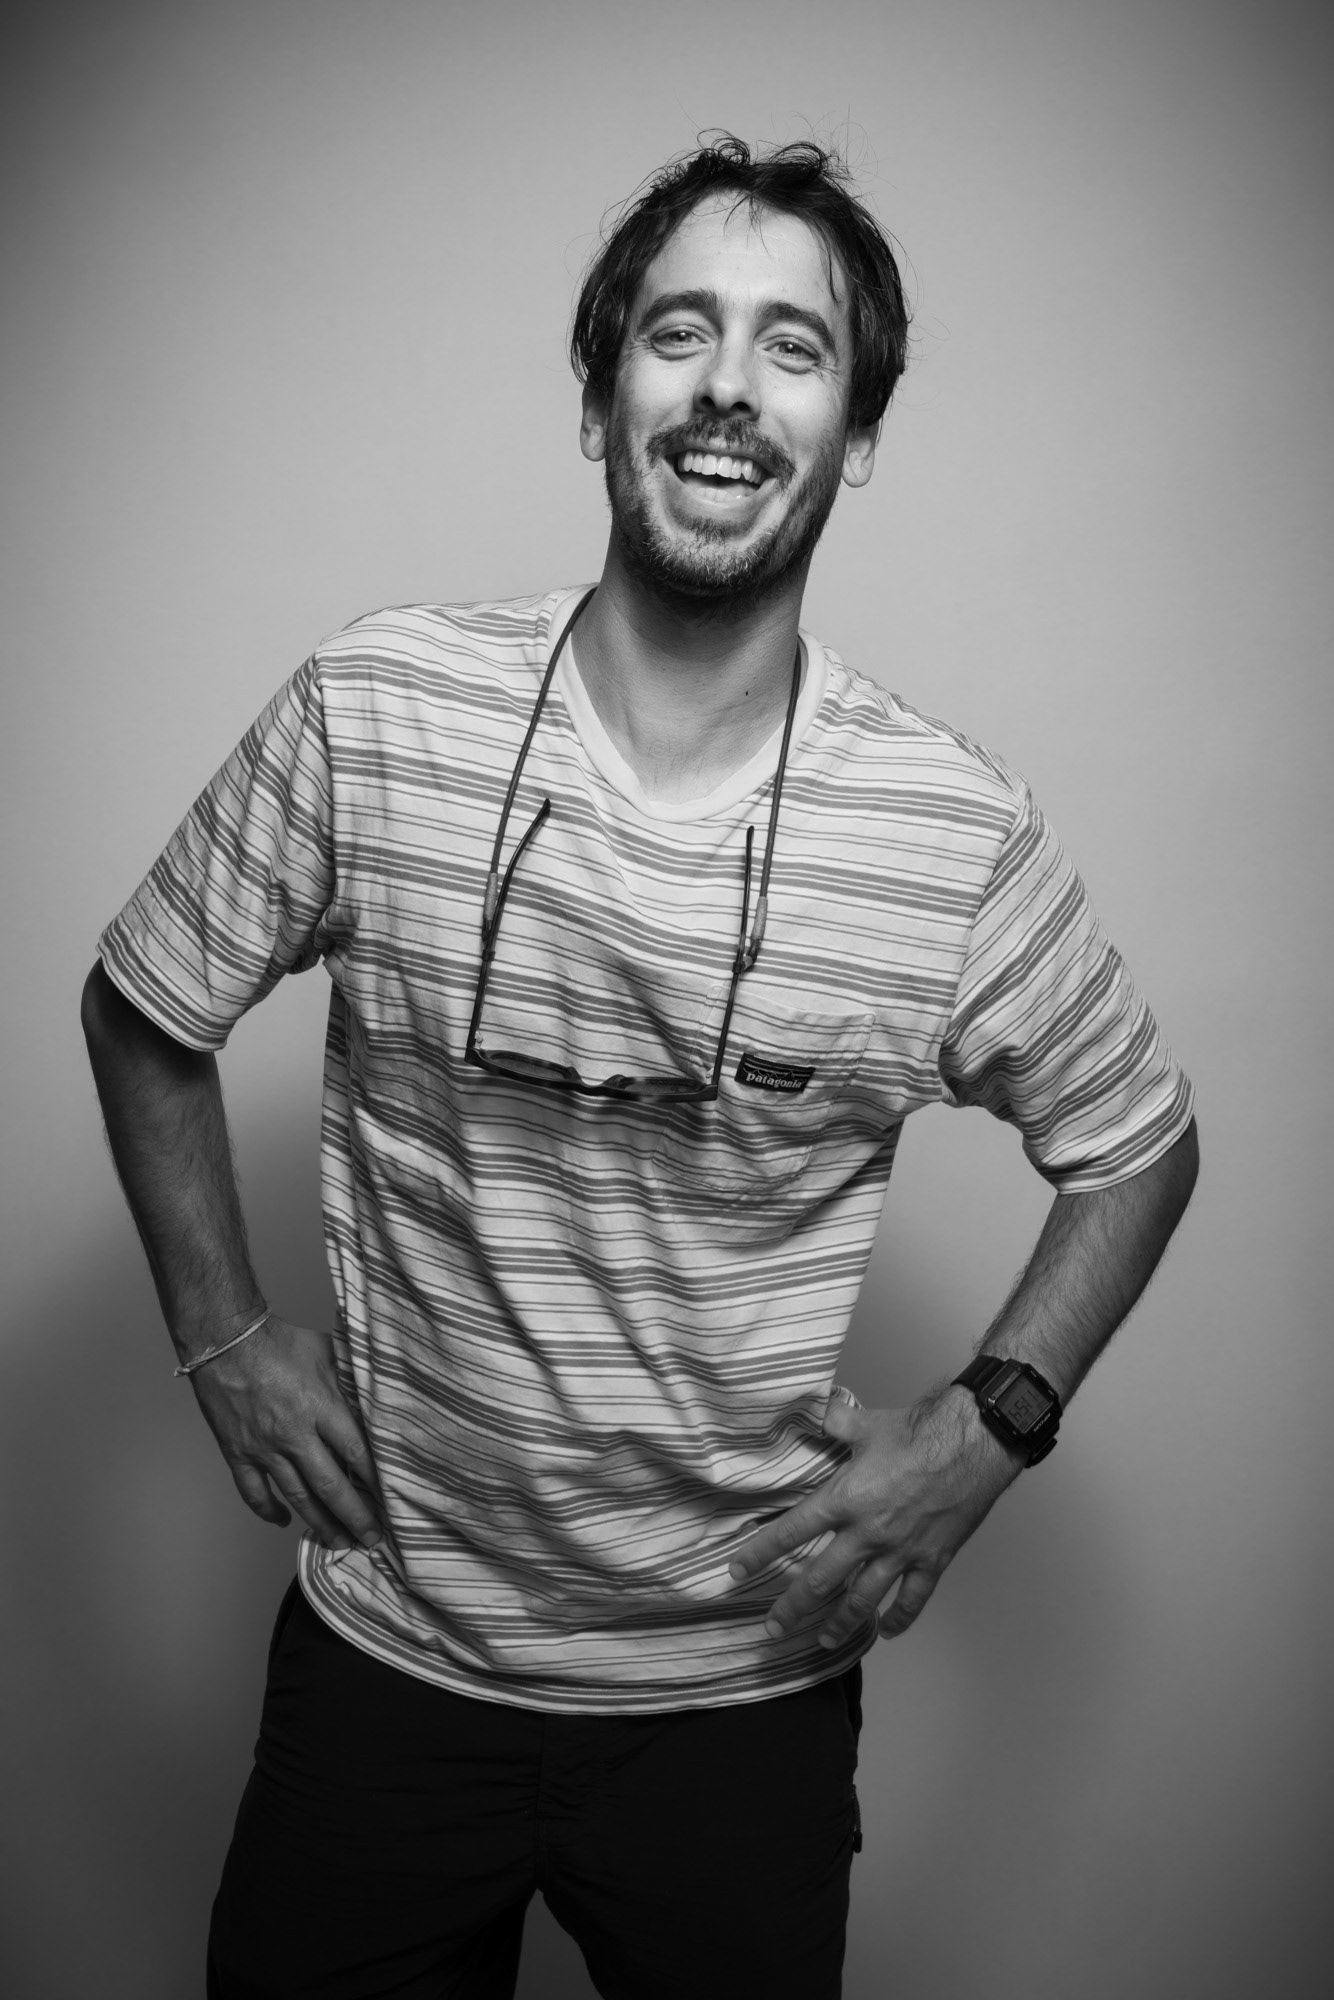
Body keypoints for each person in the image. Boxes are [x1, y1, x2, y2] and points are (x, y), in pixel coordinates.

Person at [82, 136, 1198, 2000]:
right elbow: (145, 1005)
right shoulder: (379, 709)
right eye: (679, 333)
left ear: (854, 436)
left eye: (792, 348)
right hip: (386, 1669)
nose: (728, 388)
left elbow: (1137, 1146)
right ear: (602, 402)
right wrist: (218, 1332)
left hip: (739, 1707)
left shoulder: (948, 831)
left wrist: (984, 1433)